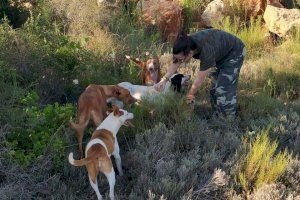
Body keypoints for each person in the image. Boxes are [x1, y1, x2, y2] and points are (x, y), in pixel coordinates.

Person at [154, 29, 246, 117]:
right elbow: (175, 63)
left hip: (234, 52)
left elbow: (199, 79)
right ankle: (217, 114)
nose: (179, 61)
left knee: (224, 88)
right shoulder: (184, 44)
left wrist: (190, 94)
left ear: (190, 53)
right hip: (219, 53)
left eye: (181, 59)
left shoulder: (206, 51)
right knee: (214, 88)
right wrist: (163, 80)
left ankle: (227, 121)